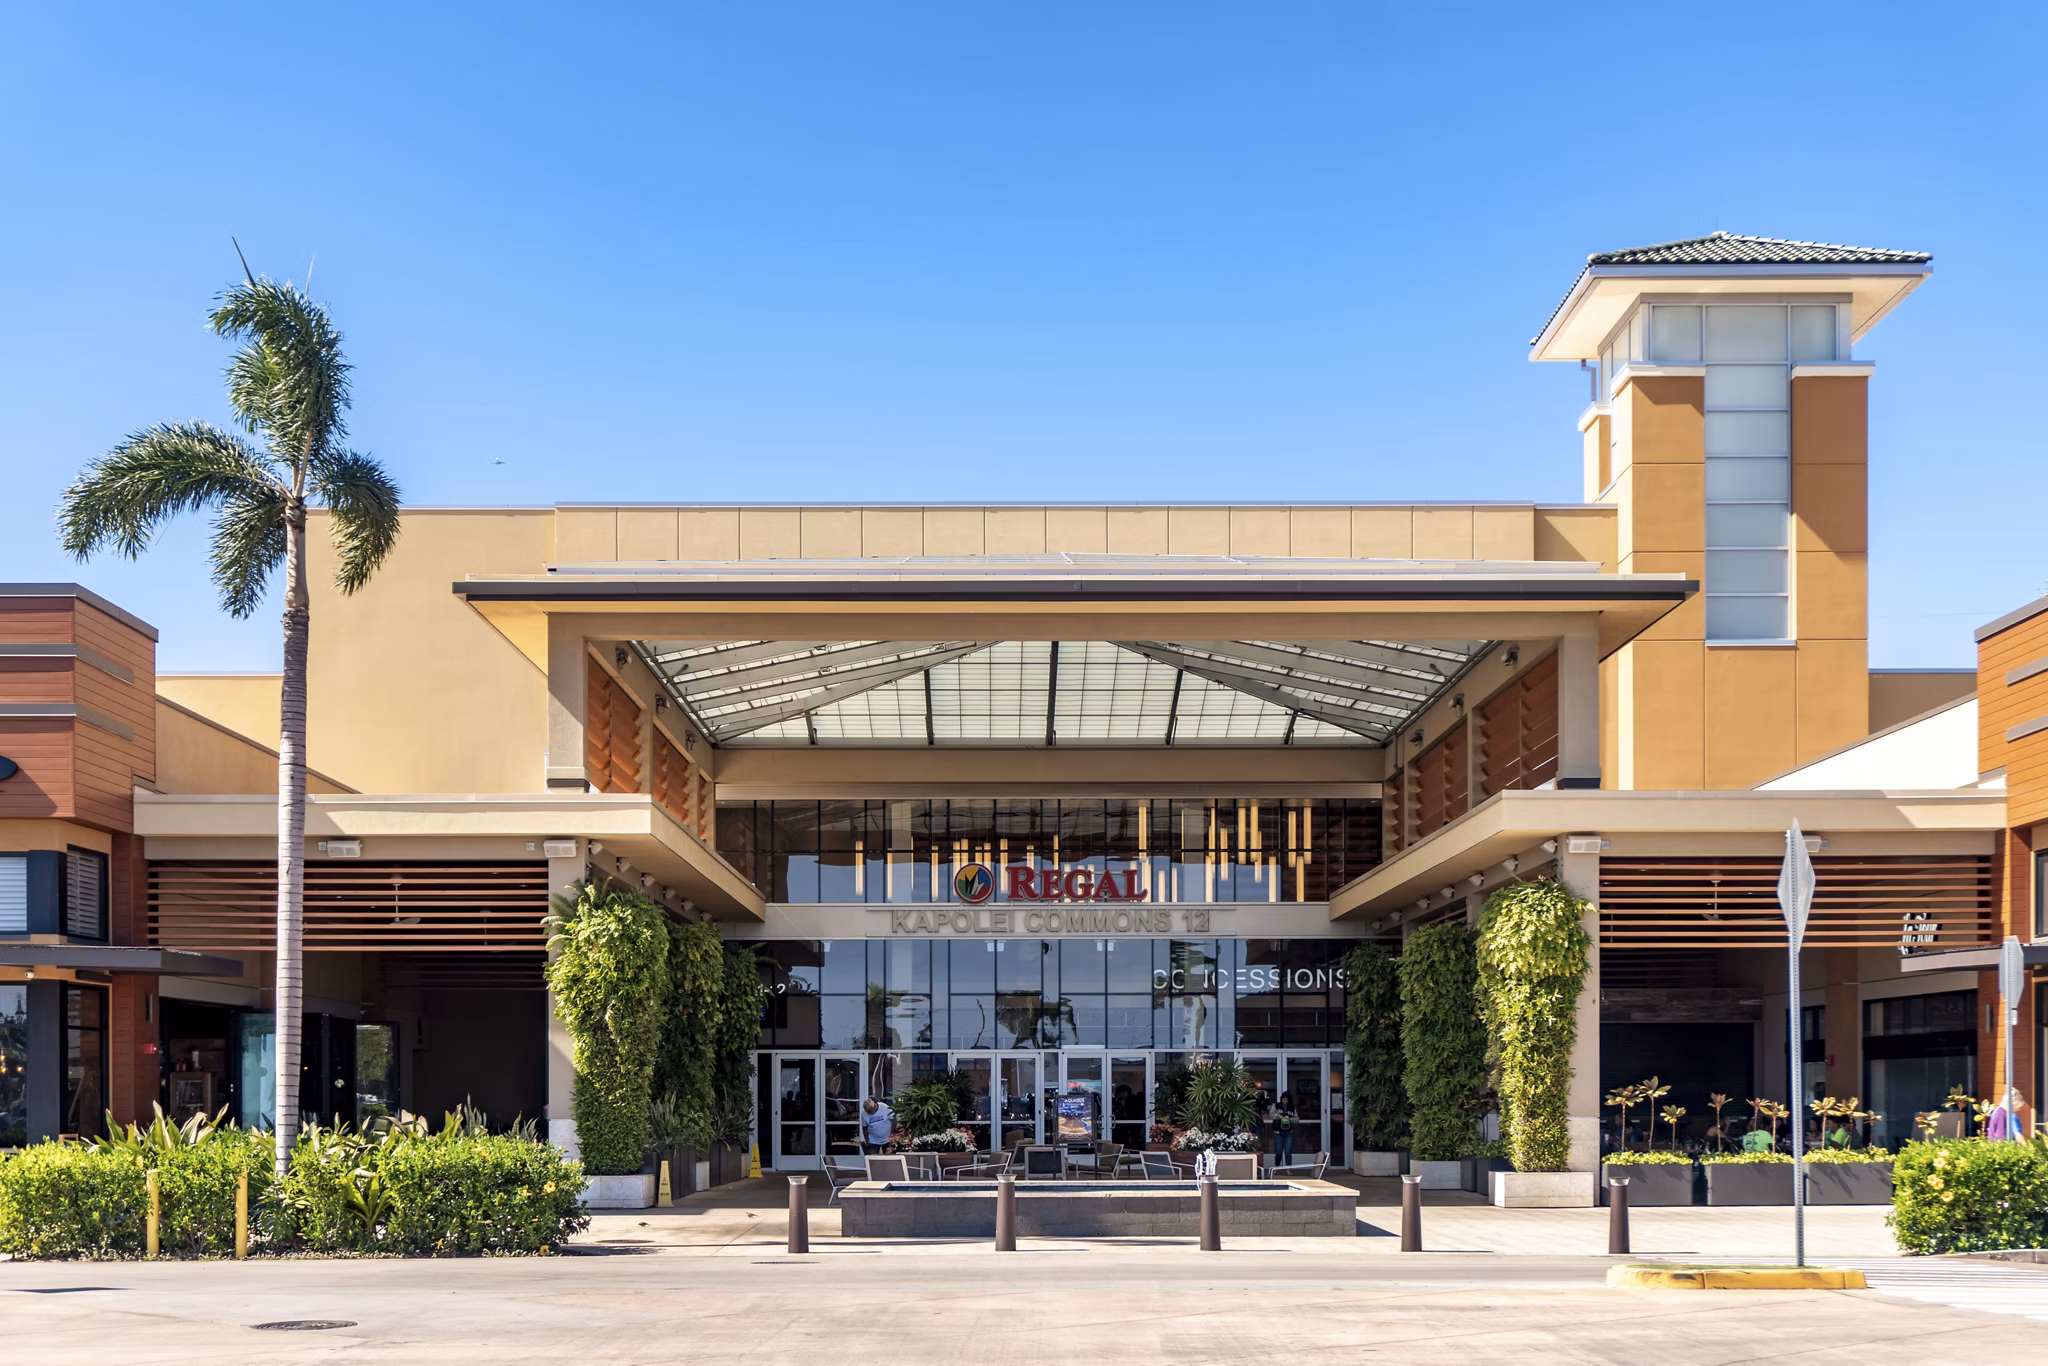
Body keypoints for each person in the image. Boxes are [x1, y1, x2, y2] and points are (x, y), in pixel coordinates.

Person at [1272, 1091, 1298, 1167]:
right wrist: (1281, 1117)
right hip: (1278, 1132)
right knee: (1278, 1152)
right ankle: (1276, 1167)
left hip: (1289, 1132)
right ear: (1281, 1099)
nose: (1285, 1101)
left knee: (1288, 1152)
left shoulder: (1292, 1107)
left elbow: (1297, 1119)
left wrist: (1289, 1119)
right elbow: (1272, 1114)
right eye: (1284, 1099)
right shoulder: (1276, 1105)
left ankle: (1288, 1169)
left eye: (1287, 1099)